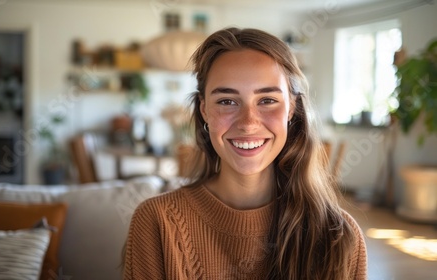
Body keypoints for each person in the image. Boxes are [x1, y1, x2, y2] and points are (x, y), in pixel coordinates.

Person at [123, 27, 367, 280]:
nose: (248, 123)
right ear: (205, 110)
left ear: (292, 108)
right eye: (227, 101)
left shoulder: (339, 235)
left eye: (267, 100)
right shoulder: (156, 222)